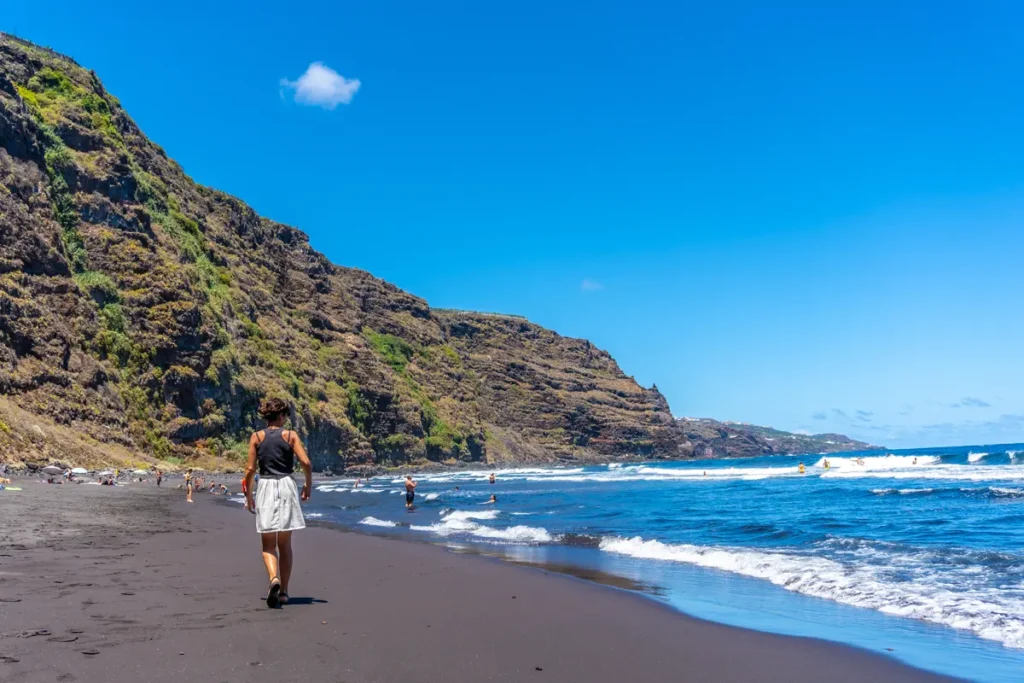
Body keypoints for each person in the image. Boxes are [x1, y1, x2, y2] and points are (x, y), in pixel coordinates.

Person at [244, 397, 312, 609]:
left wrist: (248, 496)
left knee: (268, 544)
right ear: (281, 415)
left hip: (265, 486)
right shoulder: (290, 435)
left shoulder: (256, 437)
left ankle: (274, 578)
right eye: (286, 415)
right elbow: (306, 462)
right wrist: (308, 486)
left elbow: (250, 470)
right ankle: (283, 592)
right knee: (285, 544)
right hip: (285, 485)